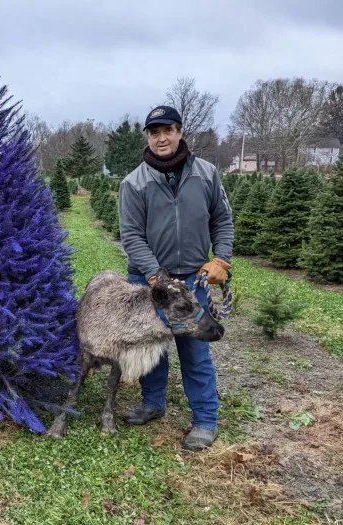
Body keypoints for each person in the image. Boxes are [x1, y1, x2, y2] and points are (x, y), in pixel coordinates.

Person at [118, 106, 234, 451]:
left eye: (167, 130)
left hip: (192, 280)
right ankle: (153, 404)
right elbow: (132, 235)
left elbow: (222, 220)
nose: (161, 138)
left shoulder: (206, 174)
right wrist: (156, 276)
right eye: (154, 133)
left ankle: (204, 420)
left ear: (180, 132)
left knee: (195, 350)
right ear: (148, 137)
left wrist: (221, 259)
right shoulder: (134, 183)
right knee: (151, 347)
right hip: (149, 279)